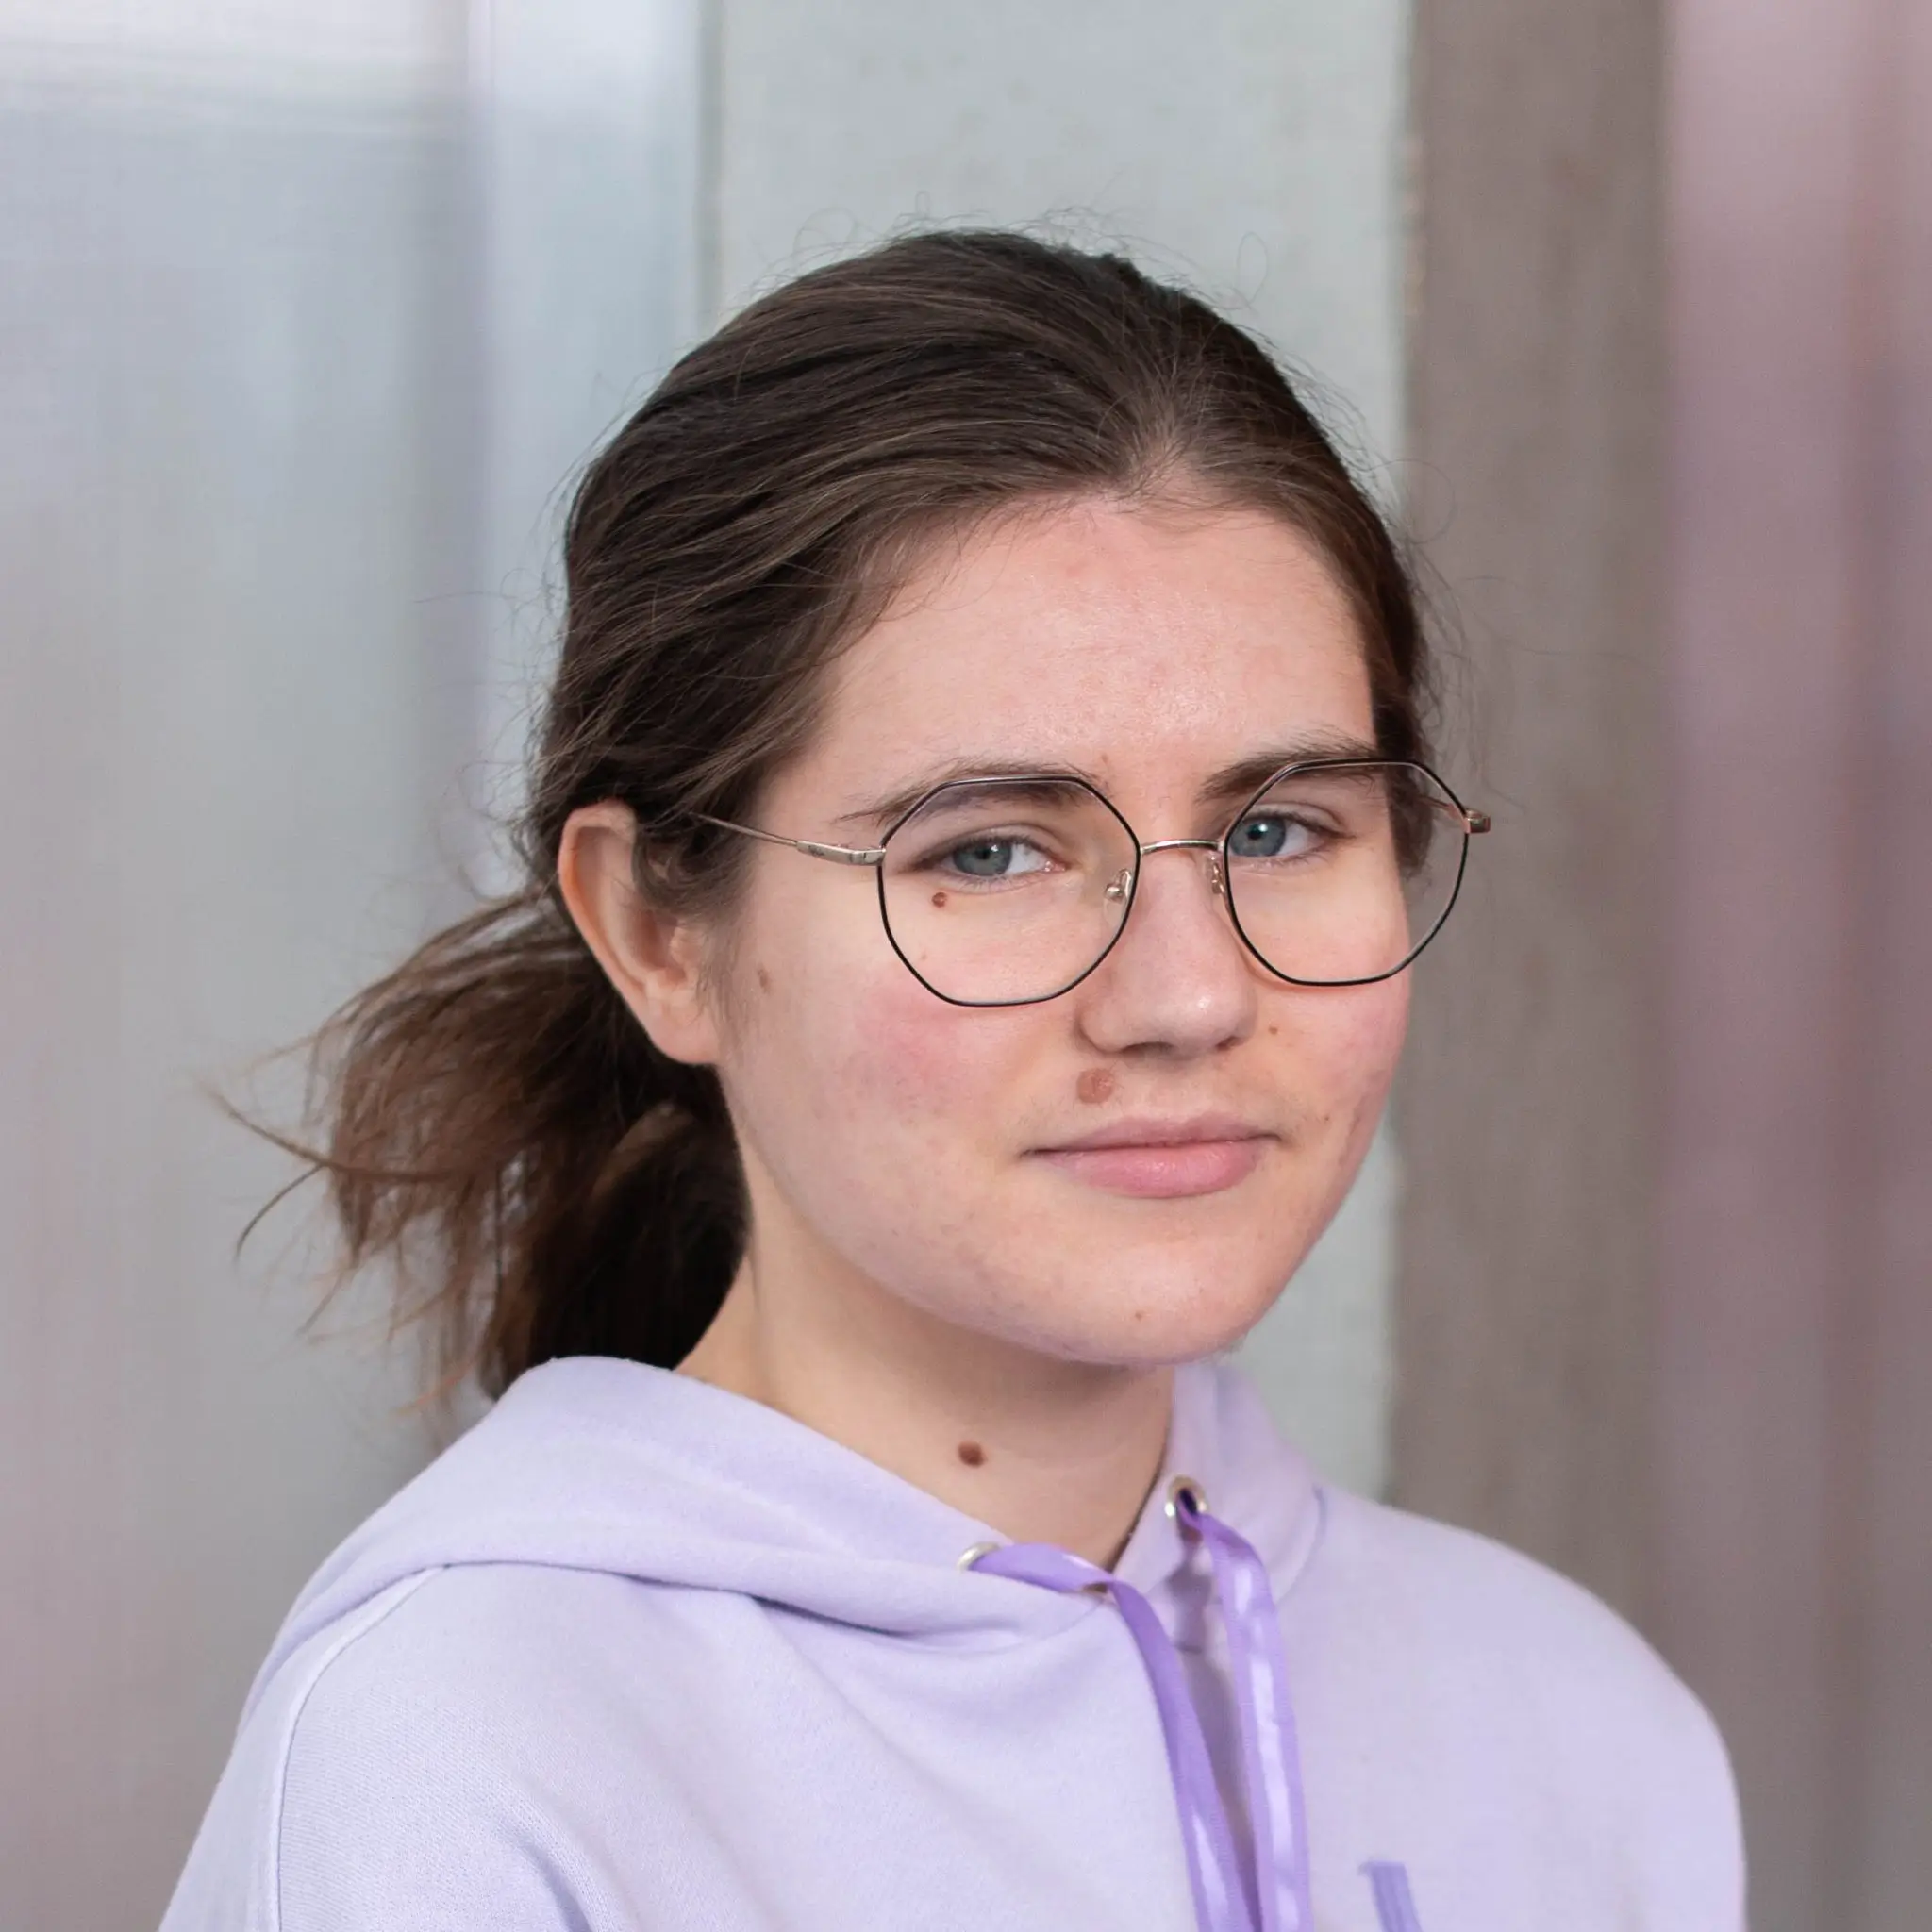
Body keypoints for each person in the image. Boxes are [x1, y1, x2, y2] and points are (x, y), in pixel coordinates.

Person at [161, 231, 1743, 1932]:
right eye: (989, 851)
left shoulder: (1579, 1733)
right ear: (657, 934)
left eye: (1282, 830)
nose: (1191, 996)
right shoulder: (464, 1765)